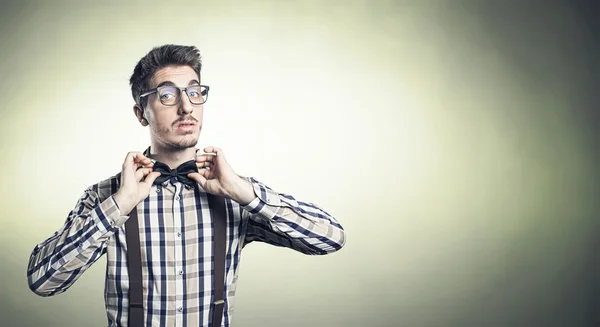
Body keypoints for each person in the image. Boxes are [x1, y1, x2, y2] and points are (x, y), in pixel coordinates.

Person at [26, 44, 346, 327]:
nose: (186, 107)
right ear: (141, 114)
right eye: (167, 95)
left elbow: (330, 238)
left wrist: (246, 193)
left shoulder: (233, 193)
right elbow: (42, 281)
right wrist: (119, 205)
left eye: (194, 92)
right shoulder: (107, 196)